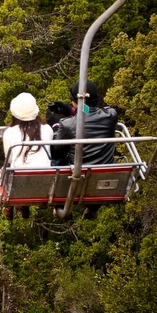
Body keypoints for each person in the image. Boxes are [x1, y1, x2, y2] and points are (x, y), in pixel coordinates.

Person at [50, 80, 118, 219]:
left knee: (55, 162)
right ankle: (92, 208)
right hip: (103, 176)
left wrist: (57, 128)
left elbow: (57, 154)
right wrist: (73, 111)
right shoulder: (111, 116)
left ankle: (60, 205)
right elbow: (90, 110)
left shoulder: (67, 124)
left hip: (75, 178)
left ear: (74, 100)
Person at [1, 92, 54, 221]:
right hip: (44, 182)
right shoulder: (47, 129)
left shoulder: (9, 133)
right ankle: (22, 205)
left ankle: (10, 206)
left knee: (5, 169)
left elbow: (9, 157)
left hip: (19, 182)